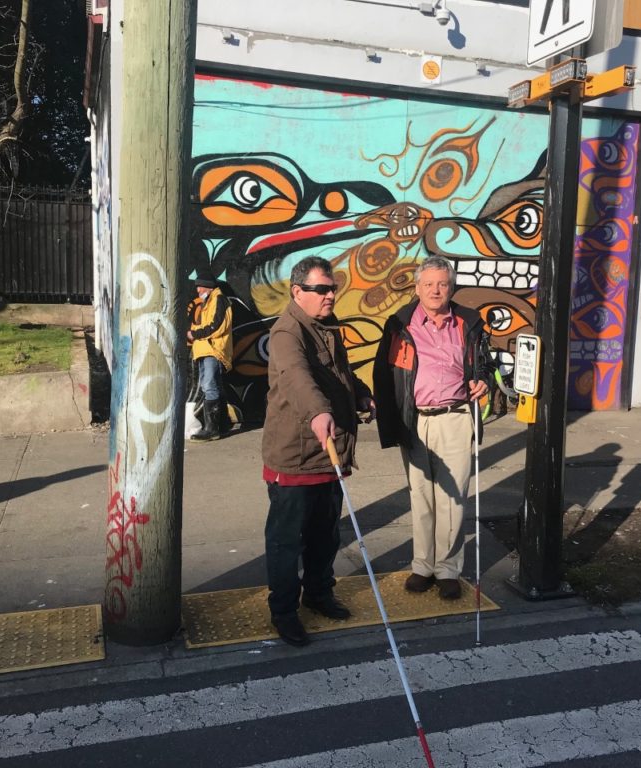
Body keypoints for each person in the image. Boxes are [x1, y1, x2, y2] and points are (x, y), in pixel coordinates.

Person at [261, 256, 375, 646]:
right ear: (298, 292)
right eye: (322, 290)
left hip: (330, 453)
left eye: (332, 288)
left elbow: (338, 372)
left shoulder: (327, 327)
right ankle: (284, 611)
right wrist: (318, 413)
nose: (330, 295)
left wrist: (359, 392)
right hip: (295, 454)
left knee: (325, 534)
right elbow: (297, 377)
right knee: (286, 539)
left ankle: (319, 593)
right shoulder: (287, 332)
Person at [373, 255, 488, 601]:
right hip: (416, 419)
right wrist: (390, 421)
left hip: (455, 417)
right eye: (429, 284)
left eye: (442, 284)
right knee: (421, 495)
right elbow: (383, 372)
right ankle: (423, 566)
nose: (436, 291)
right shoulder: (399, 324)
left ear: (451, 287)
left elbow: (484, 363)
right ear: (417, 287)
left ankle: (448, 569)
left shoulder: (469, 322)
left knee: (453, 501)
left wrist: (482, 381)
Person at [186, 268, 233, 441]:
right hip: (207, 349)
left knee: (209, 386)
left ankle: (212, 429)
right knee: (215, 386)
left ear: (209, 287)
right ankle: (222, 425)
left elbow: (216, 326)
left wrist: (195, 333)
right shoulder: (212, 300)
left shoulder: (219, 300)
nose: (198, 290)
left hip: (213, 350)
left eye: (200, 287)